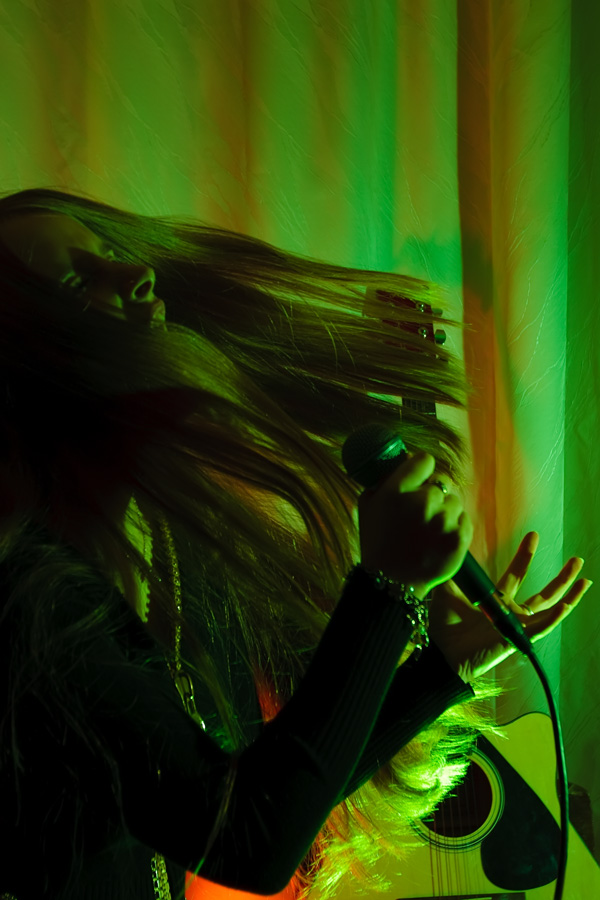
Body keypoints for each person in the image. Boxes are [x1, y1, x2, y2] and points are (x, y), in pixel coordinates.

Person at [0, 189, 590, 900]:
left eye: (111, 254)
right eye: (76, 280)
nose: (137, 275)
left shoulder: (172, 547)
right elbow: (249, 843)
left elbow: (266, 790)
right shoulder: (31, 598)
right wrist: (386, 589)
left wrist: (443, 669)